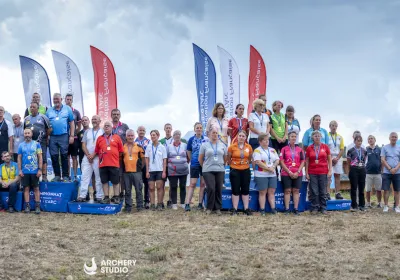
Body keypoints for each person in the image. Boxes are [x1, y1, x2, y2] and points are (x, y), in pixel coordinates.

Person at [199, 127, 228, 215]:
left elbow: (225, 158)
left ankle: (218, 208)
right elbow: (200, 159)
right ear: (209, 134)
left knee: (218, 188)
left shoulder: (222, 145)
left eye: (216, 133)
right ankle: (209, 207)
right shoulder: (204, 145)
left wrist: (221, 164)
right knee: (211, 188)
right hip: (208, 170)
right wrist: (205, 166)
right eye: (213, 133)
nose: (215, 135)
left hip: (220, 169)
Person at [46, 93, 74, 182]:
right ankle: (57, 176)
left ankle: (65, 176)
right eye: (54, 99)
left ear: (61, 99)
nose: (55, 101)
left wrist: (72, 135)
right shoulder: (49, 111)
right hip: (53, 137)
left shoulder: (68, 109)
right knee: (54, 156)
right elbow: (46, 125)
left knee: (64, 156)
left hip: (64, 136)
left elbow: (72, 123)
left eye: (57, 99)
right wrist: (47, 136)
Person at [94, 120, 124, 204]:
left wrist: (115, 158)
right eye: (105, 126)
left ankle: (116, 197)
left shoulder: (117, 137)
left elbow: (121, 151)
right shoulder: (99, 138)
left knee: (116, 182)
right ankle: (106, 197)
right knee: (104, 181)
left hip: (114, 164)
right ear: (103, 128)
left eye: (108, 125)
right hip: (102, 164)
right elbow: (96, 150)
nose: (106, 127)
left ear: (112, 128)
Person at [23, 102, 52, 182]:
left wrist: (46, 138)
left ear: (37, 108)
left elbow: (49, 129)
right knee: (32, 158)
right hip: (30, 143)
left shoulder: (43, 117)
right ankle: (34, 176)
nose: (32, 108)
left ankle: (44, 176)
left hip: (41, 142)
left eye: (34, 107)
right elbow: (24, 130)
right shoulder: (26, 119)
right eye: (31, 107)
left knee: (43, 158)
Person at [78, 115, 104, 202]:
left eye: (95, 119)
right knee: (85, 177)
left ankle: (99, 196)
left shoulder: (102, 132)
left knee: (98, 177)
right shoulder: (87, 132)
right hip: (87, 157)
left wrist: (94, 155)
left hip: (98, 158)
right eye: (92, 119)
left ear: (100, 121)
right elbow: (83, 144)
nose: (94, 121)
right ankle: (82, 195)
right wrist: (89, 155)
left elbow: (102, 145)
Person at [305, 130, 332, 215]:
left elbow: (329, 159)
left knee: (323, 190)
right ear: (312, 137)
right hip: (312, 172)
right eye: (315, 136)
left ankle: (323, 207)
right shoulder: (309, 148)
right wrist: (306, 173)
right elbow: (307, 161)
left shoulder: (325, 147)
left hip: (323, 171)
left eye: (318, 136)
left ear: (321, 137)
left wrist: (330, 170)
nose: (317, 137)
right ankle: (315, 207)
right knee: (314, 191)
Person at [253, 133, 280, 216]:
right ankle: (262, 209)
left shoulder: (272, 150)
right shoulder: (257, 150)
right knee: (262, 192)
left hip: (272, 174)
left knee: (271, 191)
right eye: (264, 140)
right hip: (261, 174)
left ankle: (273, 209)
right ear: (260, 142)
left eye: (267, 140)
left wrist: (273, 166)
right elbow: (258, 162)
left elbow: (277, 160)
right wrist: (269, 168)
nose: (266, 141)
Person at [227, 130, 253, 215]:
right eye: (240, 136)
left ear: (246, 138)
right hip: (235, 170)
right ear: (237, 137)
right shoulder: (232, 147)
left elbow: (249, 158)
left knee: (245, 189)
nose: (241, 137)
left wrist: (244, 164)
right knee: (235, 189)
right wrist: (235, 165)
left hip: (245, 169)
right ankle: (235, 209)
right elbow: (228, 159)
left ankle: (246, 209)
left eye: (243, 136)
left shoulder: (249, 147)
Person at [279, 131, 305, 215]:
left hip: (298, 173)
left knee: (296, 190)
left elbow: (303, 161)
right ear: (288, 138)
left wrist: (298, 171)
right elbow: (281, 162)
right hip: (286, 173)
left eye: (295, 136)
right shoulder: (284, 149)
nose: (293, 138)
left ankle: (296, 209)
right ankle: (286, 209)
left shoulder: (300, 149)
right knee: (287, 191)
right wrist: (289, 172)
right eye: (292, 136)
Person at [18, 128, 42, 214]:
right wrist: (20, 170)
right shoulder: (21, 145)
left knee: (36, 188)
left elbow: (40, 157)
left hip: (35, 171)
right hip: (25, 171)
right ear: (23, 135)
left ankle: (37, 206)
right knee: (26, 188)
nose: (27, 135)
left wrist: (39, 169)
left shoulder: (37, 144)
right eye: (25, 133)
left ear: (31, 134)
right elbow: (19, 158)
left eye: (28, 133)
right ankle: (27, 206)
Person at [185, 122, 207, 211]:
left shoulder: (206, 139)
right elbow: (188, 151)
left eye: (200, 128)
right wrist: (193, 160)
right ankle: (187, 203)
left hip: (204, 164)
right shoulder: (191, 139)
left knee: (202, 184)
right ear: (194, 129)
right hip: (194, 164)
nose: (199, 129)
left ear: (202, 129)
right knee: (193, 184)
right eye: (197, 128)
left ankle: (200, 204)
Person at [123, 129, 145, 212]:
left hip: (137, 172)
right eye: (128, 135)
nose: (130, 137)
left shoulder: (139, 147)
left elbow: (143, 159)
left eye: (132, 135)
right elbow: (120, 159)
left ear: (134, 136)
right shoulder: (123, 147)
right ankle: (128, 207)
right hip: (126, 172)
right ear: (126, 136)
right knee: (127, 191)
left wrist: (140, 168)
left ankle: (140, 206)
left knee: (139, 190)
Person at [166, 130, 189, 210]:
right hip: (172, 170)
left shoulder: (185, 145)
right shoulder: (169, 146)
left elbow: (188, 156)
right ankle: (174, 203)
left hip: (183, 169)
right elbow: (166, 157)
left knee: (183, 186)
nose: (177, 136)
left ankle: (183, 203)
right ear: (173, 136)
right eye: (175, 134)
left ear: (180, 136)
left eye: (179, 134)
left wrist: (184, 163)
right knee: (173, 186)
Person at [145, 130, 167, 210]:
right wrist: (147, 171)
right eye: (151, 135)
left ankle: (159, 204)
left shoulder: (162, 147)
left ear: (158, 136)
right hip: (151, 170)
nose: (152, 136)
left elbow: (165, 160)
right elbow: (146, 160)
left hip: (160, 170)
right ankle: (152, 204)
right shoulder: (148, 147)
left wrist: (164, 171)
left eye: (154, 135)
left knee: (159, 187)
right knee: (151, 188)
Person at [111, 108, 129, 199]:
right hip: (111, 156)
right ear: (111, 115)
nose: (116, 116)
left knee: (122, 174)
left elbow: (128, 139)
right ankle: (116, 194)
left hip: (122, 155)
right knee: (115, 175)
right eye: (114, 114)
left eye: (117, 114)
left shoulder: (124, 126)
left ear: (120, 115)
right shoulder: (108, 126)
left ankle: (122, 192)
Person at [346, 135, 367, 212]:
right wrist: (349, 170)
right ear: (354, 141)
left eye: (360, 141)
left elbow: (365, 160)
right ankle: (354, 205)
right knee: (354, 188)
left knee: (361, 188)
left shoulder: (364, 151)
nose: (359, 142)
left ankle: (362, 205)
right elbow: (348, 162)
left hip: (362, 169)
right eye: (358, 141)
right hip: (354, 169)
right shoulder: (350, 150)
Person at [380, 132, 400, 213]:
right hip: (386, 172)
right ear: (389, 138)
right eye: (392, 137)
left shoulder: (399, 147)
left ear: (397, 138)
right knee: (386, 190)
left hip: (397, 172)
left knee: (397, 190)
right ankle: (385, 206)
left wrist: (395, 168)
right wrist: (390, 168)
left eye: (395, 137)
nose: (394, 138)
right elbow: (382, 159)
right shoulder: (385, 148)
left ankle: (397, 206)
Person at [65, 94, 82, 181]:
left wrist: (75, 133)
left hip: (74, 138)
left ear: (72, 101)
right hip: (64, 138)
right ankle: (68, 175)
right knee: (66, 157)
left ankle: (75, 175)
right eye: (67, 99)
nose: (69, 101)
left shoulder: (76, 112)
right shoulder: (62, 111)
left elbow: (79, 125)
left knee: (74, 157)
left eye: (70, 99)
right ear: (65, 100)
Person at [327, 121, 345, 200]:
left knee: (337, 175)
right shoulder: (327, 136)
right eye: (332, 126)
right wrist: (330, 158)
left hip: (337, 158)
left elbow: (342, 149)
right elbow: (326, 147)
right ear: (330, 126)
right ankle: (327, 193)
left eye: (335, 126)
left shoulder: (340, 137)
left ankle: (337, 193)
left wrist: (337, 158)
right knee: (329, 176)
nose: (334, 127)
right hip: (328, 157)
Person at [135, 126, 151, 209]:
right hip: (137, 165)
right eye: (140, 130)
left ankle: (147, 201)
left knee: (147, 183)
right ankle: (139, 201)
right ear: (137, 131)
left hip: (146, 165)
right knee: (138, 184)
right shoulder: (134, 142)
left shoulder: (148, 141)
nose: (141, 132)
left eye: (143, 130)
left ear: (145, 132)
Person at [365, 135, 382, 208]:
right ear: (368, 141)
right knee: (368, 189)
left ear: (375, 140)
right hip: (368, 173)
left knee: (379, 189)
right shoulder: (366, 150)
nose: (370, 140)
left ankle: (379, 203)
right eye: (369, 139)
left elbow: (382, 160)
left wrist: (382, 169)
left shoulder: (379, 149)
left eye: (372, 138)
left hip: (378, 173)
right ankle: (368, 203)